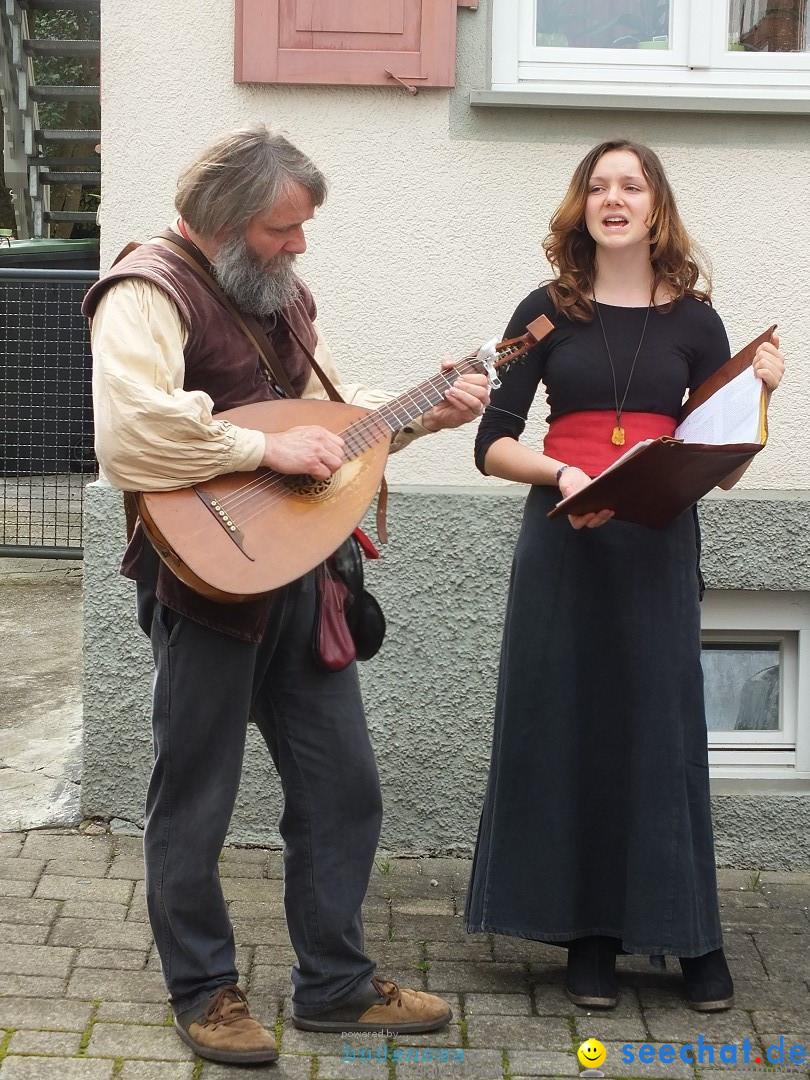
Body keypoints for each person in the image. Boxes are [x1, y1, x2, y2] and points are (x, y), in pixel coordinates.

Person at [84, 124, 490, 1066]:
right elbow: (132, 433)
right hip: (202, 590)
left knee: (343, 788)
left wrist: (418, 416)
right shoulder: (148, 289)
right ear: (223, 222)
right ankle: (206, 992)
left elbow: (323, 436)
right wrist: (260, 449)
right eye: (282, 228)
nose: (299, 245)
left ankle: (336, 986)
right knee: (196, 797)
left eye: (303, 228)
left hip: (302, 583)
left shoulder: (275, 296)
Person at [464, 139, 784, 1012]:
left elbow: (719, 468)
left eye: (630, 185)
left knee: (660, 730)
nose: (614, 198)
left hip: (655, 541)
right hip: (563, 539)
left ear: (655, 207)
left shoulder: (699, 322)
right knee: (568, 727)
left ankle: (691, 937)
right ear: (582, 205)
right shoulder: (542, 311)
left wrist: (762, 399)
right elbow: (491, 441)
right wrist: (562, 473)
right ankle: (588, 939)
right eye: (598, 185)